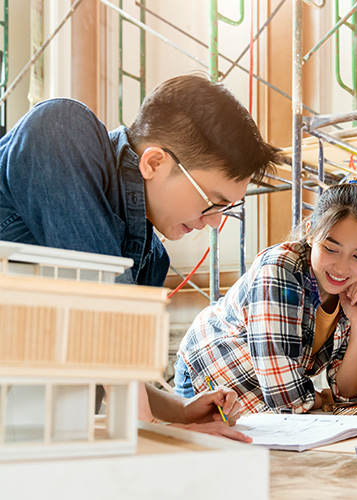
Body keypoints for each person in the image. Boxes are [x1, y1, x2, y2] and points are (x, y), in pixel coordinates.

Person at [0, 74, 281, 441]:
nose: (214, 222)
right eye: (214, 202)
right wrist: (155, 429)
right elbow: (98, 292)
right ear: (154, 163)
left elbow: (102, 362)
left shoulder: (150, 257)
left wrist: (176, 408)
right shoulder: (61, 129)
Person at [175, 180, 357, 414]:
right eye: (331, 249)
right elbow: (287, 400)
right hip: (208, 374)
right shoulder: (279, 269)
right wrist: (322, 399)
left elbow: (349, 392)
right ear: (310, 234)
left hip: (268, 395)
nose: (342, 268)